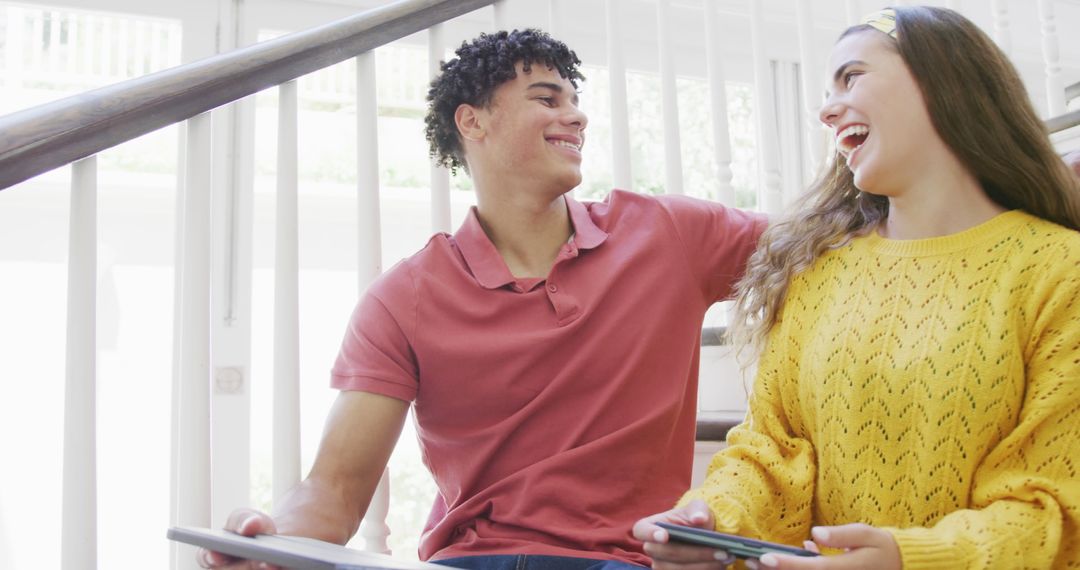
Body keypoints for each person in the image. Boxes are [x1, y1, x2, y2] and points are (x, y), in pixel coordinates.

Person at [201, 29, 767, 570]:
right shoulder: (405, 297)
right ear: (473, 121)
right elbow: (336, 490)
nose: (576, 115)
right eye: (547, 99)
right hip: (469, 559)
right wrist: (270, 541)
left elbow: (819, 241)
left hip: (620, 560)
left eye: (575, 101)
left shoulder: (667, 234)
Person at [634, 6, 1080, 570]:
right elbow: (771, 450)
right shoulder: (818, 274)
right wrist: (713, 517)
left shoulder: (1060, 272)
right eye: (827, 90)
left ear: (942, 76)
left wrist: (908, 558)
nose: (826, 109)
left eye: (851, 77)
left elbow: (1055, 508)